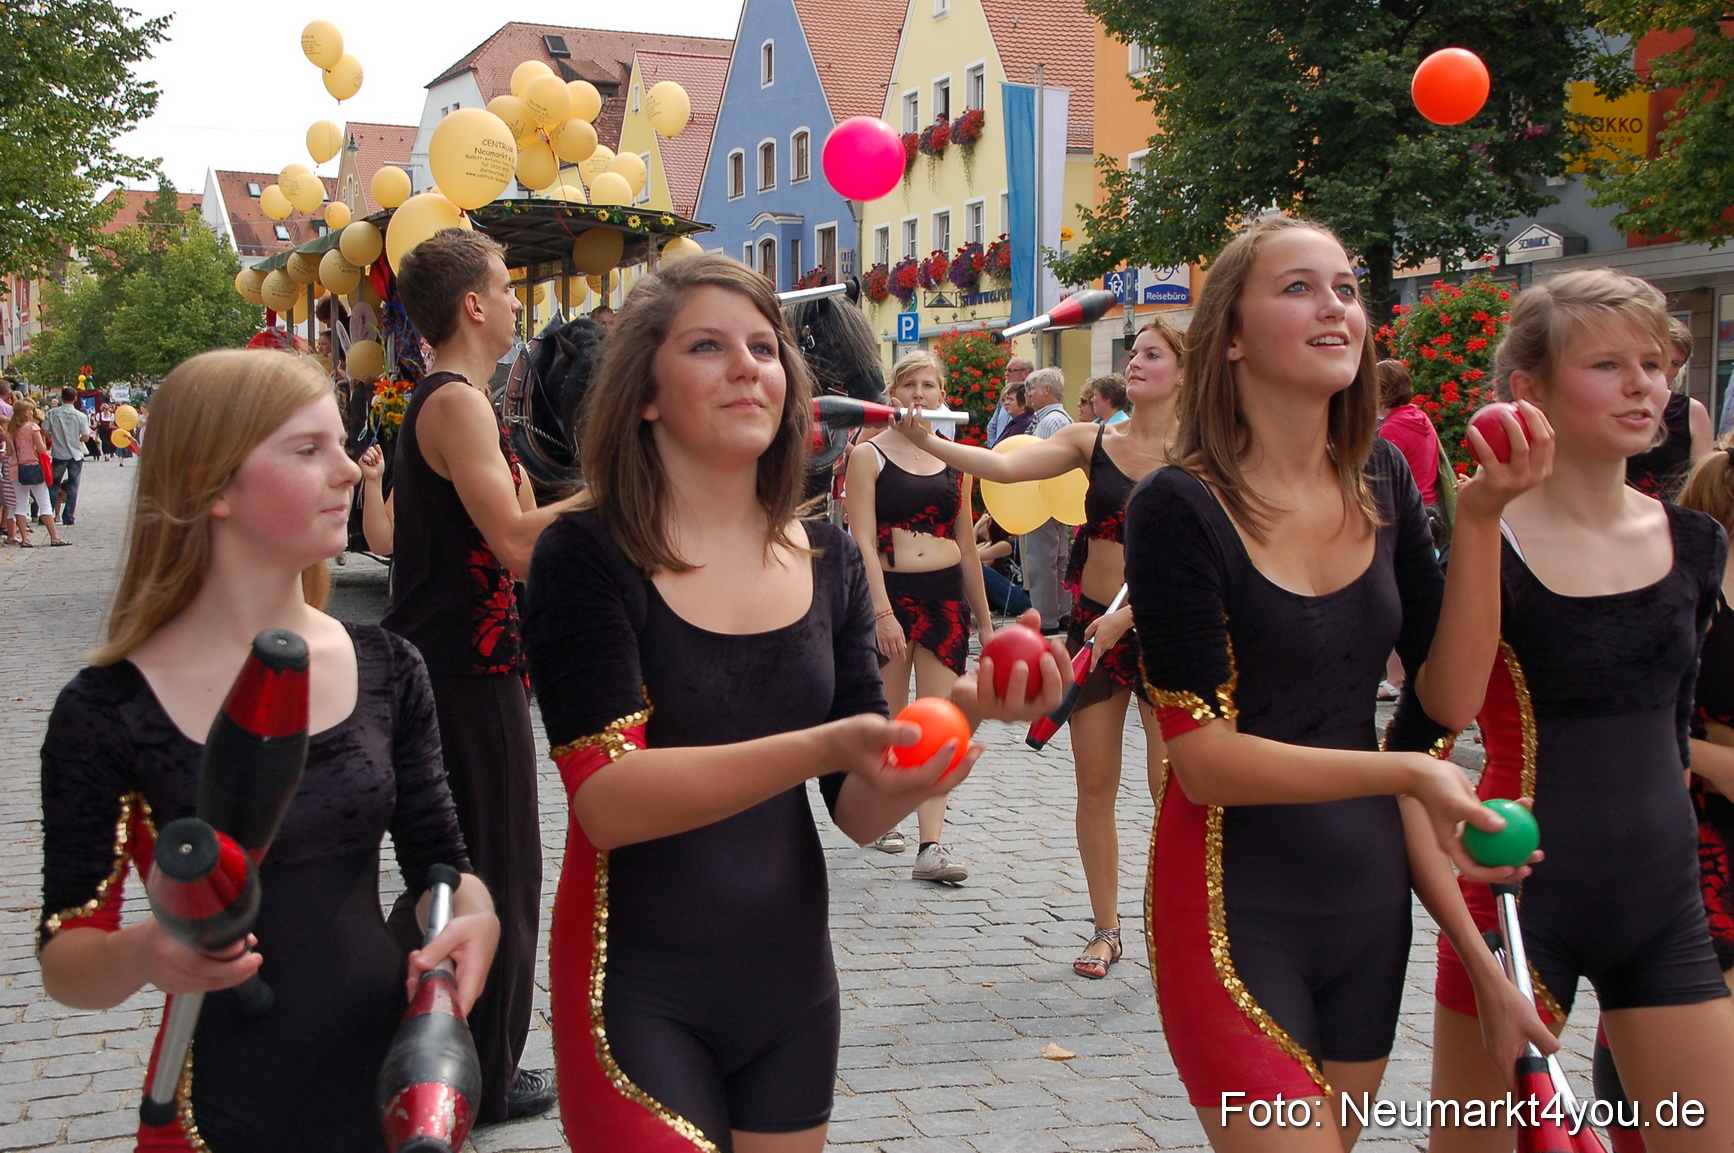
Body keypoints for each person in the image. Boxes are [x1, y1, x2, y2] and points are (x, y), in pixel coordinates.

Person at [522, 253, 1066, 1153]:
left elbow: (857, 810)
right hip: (638, 986)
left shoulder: (828, 560)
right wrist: (820, 746)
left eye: (765, 348)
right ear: (646, 393)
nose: (747, 366)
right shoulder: (586, 555)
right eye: (708, 346)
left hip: (791, 989)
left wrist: (966, 706)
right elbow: (608, 803)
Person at [1125, 215, 1557, 1151]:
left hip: (1366, 904)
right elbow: (1204, 763)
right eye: (1299, 287)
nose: (1337, 307)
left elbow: (1442, 703)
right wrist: (1404, 774)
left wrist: (1479, 521)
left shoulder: (1384, 475)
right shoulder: (1178, 504)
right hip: (1232, 897)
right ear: (1230, 337)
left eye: (1348, 289)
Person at [35, 348, 498, 1152]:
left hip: (386, 1085)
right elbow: (67, 955)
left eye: (341, 444)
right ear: (208, 485)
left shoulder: (388, 666)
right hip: (214, 1103)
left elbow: (442, 863)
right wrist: (148, 949)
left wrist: (472, 915)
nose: (351, 472)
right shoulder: (109, 708)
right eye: (307, 449)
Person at [1419, 270, 1734, 1153]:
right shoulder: (1492, 540)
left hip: (1664, 901)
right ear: (1532, 390)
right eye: (1608, 365)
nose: (1645, 385)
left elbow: (1679, 731)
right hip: (1517, 904)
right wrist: (1480, 523)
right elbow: (1437, 712)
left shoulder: (1697, 542)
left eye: (1654, 362)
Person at [895, 319, 1184, 977]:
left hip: (1168, 630)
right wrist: (933, 441)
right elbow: (1002, 463)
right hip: (1093, 626)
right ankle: (1107, 929)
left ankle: (1176, 927)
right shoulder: (1091, 439)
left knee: (1174, 791)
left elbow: (1205, 562)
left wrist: (1131, 615)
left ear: (1185, 371)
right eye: (1132, 351)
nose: (1134, 361)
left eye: (1151, 354)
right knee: (1094, 786)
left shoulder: (1202, 454)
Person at [382, 228, 582, 1123]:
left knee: (469, 870)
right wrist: (618, 484)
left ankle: (460, 1056)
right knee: (496, 872)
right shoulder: (455, 400)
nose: (513, 301)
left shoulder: (461, 399)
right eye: (504, 286)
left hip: (469, 661)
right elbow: (511, 540)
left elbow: (521, 538)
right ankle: (487, 1077)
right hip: (463, 668)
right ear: (471, 304)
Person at [846, 351, 994, 880]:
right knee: (891, 717)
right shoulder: (868, 455)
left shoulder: (957, 458)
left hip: (944, 593)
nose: (918, 394)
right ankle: (885, 809)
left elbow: (968, 544)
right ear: (892, 392)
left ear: (942, 394)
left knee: (941, 721)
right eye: (908, 384)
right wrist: (882, 610)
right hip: (889, 593)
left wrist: (986, 621)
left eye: (928, 385)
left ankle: (931, 845)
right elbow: (860, 538)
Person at [1626, 315, 1712, 500]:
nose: (1665, 369)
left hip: (1672, 518)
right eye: (1657, 360)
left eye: (1675, 363)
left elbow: (1703, 485)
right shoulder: (1614, 402)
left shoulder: (1691, 411)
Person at [1021, 368, 1074, 631]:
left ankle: (1047, 618)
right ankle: (1061, 612)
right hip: (1055, 498)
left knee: (1042, 559)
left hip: (1044, 499)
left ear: (1046, 390)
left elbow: (1038, 462)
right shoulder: (1055, 419)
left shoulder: (1050, 421)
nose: (1027, 393)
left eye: (1031, 387)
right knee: (1056, 557)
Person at [8, 400, 70, 546]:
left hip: (16, 469)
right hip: (33, 468)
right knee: (44, 502)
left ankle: (24, 538)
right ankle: (54, 537)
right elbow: (41, 449)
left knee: (20, 504)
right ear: (25, 412)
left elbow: (9, 452)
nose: (31, 413)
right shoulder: (32, 428)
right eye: (30, 410)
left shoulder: (11, 430)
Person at [43, 386, 90, 525]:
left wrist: (54, 436)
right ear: (75, 398)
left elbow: (44, 432)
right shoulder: (80, 415)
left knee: (53, 484)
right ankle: (68, 516)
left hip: (58, 453)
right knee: (73, 486)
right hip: (75, 454)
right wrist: (79, 439)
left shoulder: (51, 413)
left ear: (61, 398)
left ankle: (48, 513)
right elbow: (86, 436)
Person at [983, 355, 1034, 444]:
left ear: (1025, 373)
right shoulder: (1005, 395)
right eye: (1005, 400)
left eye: (1011, 370)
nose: (1006, 374)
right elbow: (992, 426)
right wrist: (994, 447)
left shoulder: (1032, 396)